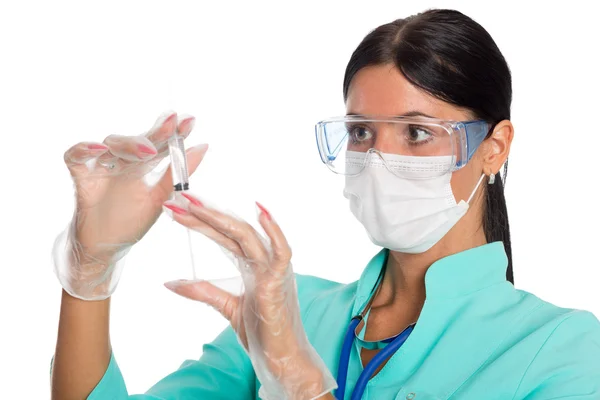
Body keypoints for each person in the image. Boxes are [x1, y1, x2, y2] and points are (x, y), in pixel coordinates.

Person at [50, 9, 600, 400]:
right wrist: (89, 273)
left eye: (416, 133)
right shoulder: (290, 312)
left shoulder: (564, 351)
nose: (380, 160)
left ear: (493, 148)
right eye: (361, 132)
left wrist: (301, 383)